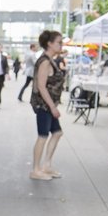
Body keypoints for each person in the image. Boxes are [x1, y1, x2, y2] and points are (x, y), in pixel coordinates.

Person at [30, 30, 66, 180]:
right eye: (59, 42)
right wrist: (52, 107)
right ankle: (36, 170)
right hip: (44, 105)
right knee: (43, 136)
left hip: (48, 104)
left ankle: (46, 165)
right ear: (50, 44)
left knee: (57, 133)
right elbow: (41, 86)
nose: (61, 44)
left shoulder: (50, 59)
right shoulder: (45, 61)